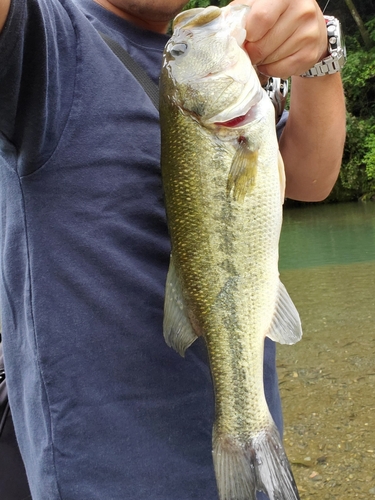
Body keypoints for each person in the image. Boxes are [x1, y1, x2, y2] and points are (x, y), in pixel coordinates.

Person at [0, 0, 345, 499]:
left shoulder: (211, 64)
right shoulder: (44, 38)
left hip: (250, 446)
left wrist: (315, 55)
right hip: (109, 480)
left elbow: (312, 179)